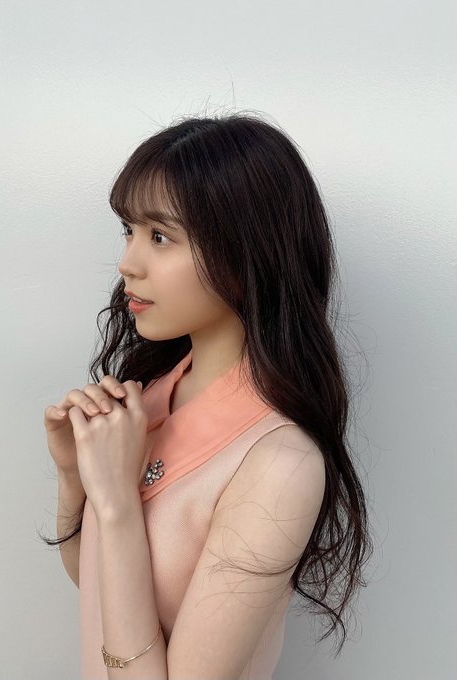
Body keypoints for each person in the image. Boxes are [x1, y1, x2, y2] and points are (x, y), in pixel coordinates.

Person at [40, 112, 372, 679]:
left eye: (160, 236)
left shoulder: (279, 463)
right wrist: (77, 477)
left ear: (245, 256)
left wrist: (117, 503)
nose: (127, 263)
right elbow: (96, 585)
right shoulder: (149, 399)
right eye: (129, 230)